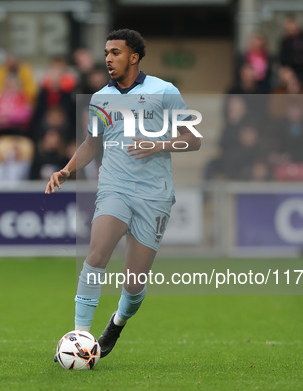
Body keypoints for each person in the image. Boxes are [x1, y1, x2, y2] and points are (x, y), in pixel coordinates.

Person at [45, 29, 201, 360]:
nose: (108, 58)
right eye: (106, 53)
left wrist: (158, 144)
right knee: (97, 253)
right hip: (114, 187)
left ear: (134, 56)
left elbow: (193, 138)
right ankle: (81, 337)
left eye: (115, 52)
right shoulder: (100, 98)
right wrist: (66, 169)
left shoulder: (164, 92)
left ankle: (117, 322)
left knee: (133, 284)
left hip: (154, 196)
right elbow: (92, 143)